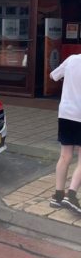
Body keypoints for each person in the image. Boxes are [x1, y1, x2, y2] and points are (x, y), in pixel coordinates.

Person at [49, 53, 81, 214]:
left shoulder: (71, 59)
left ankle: (58, 195)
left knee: (65, 155)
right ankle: (72, 195)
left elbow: (53, 76)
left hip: (66, 113)